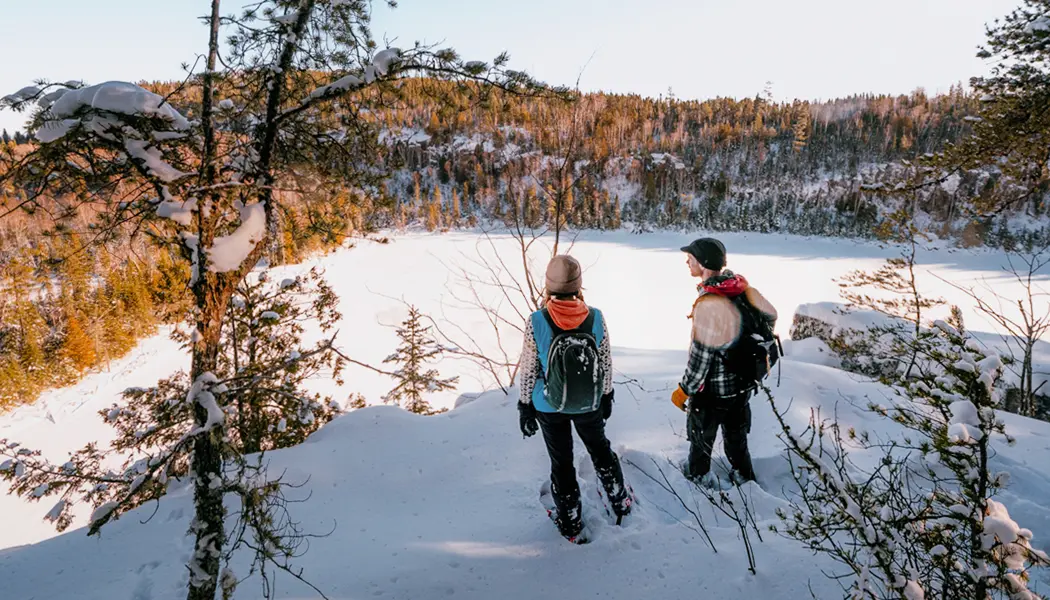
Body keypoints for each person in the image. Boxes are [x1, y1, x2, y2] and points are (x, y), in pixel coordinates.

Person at [517, 255, 632, 541]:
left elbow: (530, 368)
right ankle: (619, 499)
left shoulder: (537, 320)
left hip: (549, 405)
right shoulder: (595, 316)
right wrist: (605, 395)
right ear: (578, 285)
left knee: (562, 462)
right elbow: (604, 361)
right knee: (600, 449)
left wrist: (525, 406)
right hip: (588, 401)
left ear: (548, 285)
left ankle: (569, 522)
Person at [671, 238, 777, 485]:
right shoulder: (740, 288)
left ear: (704, 263)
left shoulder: (709, 302)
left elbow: (701, 357)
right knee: (737, 440)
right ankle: (746, 481)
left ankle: (697, 486)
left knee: (701, 443)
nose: (687, 262)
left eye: (691, 258)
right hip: (742, 385)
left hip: (712, 392)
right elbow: (772, 314)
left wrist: (683, 390)